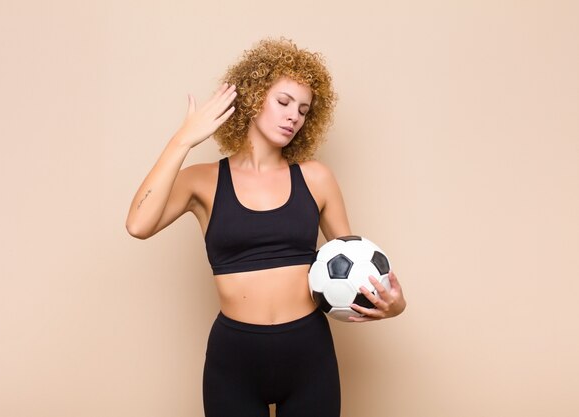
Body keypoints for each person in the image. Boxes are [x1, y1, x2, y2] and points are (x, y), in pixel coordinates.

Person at [125, 38, 406, 417]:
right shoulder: (203, 181)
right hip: (234, 360)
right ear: (255, 98)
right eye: (284, 102)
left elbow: (354, 264)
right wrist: (183, 140)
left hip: (310, 356)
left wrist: (393, 304)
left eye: (304, 110)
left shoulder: (316, 178)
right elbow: (139, 225)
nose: (294, 116)